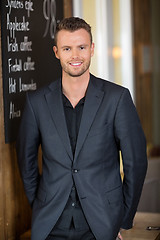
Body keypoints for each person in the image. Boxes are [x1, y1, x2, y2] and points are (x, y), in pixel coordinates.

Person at [16, 17, 147, 240]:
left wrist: (123, 219)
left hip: (102, 224)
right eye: (67, 48)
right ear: (57, 52)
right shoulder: (36, 102)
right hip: (49, 225)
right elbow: (25, 161)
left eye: (82, 47)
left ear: (92, 49)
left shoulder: (117, 98)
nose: (75, 56)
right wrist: (40, 203)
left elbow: (136, 163)